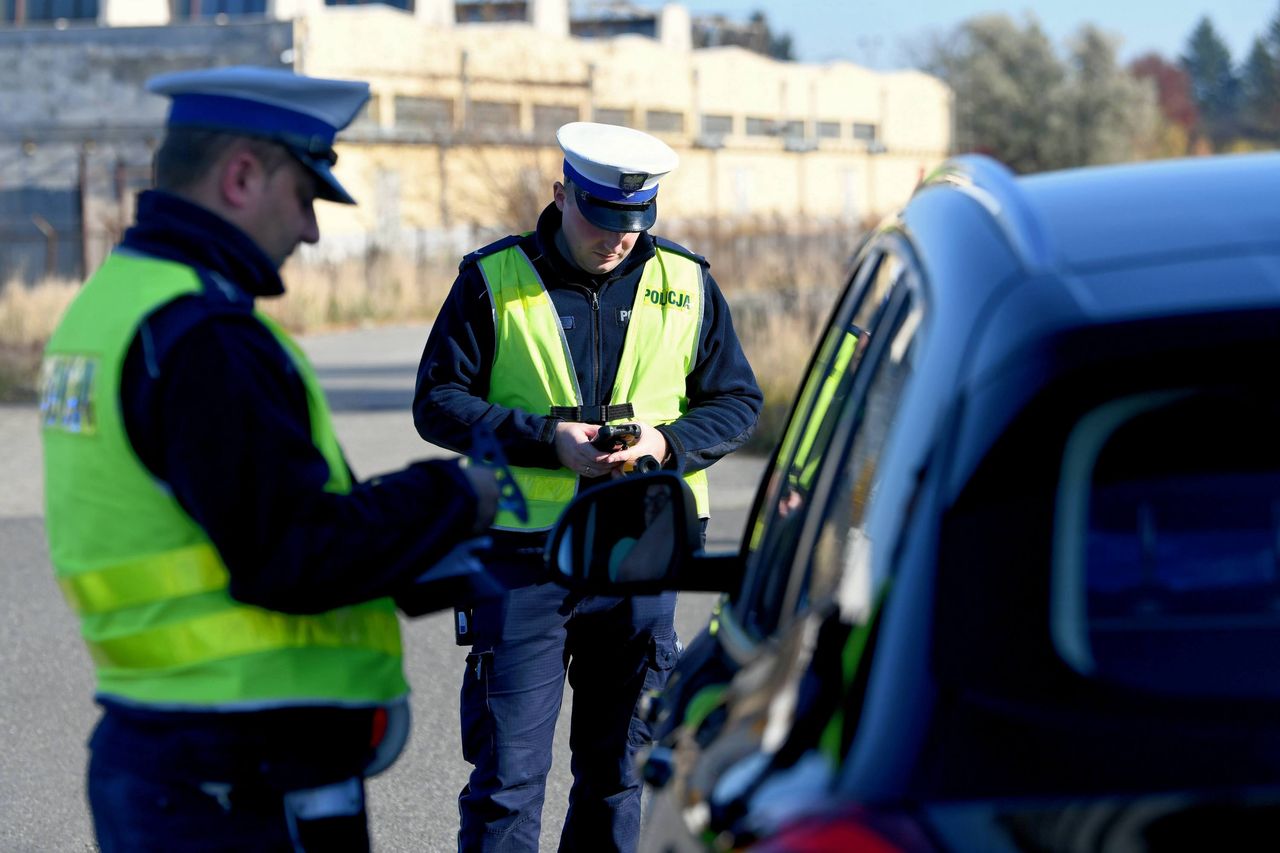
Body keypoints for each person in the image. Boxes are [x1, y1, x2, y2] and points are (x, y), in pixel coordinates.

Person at [39, 65, 502, 853]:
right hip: (238, 774)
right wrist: (459, 497)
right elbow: (290, 551)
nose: (313, 232)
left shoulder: (114, 303)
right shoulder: (206, 335)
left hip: (167, 749)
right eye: (307, 197)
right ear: (243, 175)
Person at [414, 121, 764, 852]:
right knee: (507, 781)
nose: (617, 238)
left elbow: (737, 403)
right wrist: (548, 441)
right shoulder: (492, 279)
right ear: (560, 194)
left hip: (642, 555)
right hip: (521, 559)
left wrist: (666, 442)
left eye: (633, 225)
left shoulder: (687, 282)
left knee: (619, 774)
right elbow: (438, 401)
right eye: (600, 218)